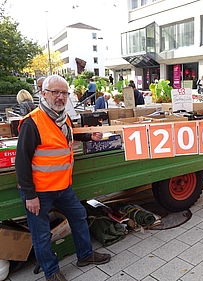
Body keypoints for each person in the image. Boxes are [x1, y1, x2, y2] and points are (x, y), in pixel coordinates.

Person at [15, 75, 111, 281]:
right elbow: (21, 161)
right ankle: (51, 273)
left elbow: (65, 135)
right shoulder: (32, 123)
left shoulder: (62, 117)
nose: (60, 97)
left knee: (79, 216)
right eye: (55, 92)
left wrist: (87, 136)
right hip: (39, 191)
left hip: (61, 186)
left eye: (64, 93)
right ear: (44, 93)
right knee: (41, 234)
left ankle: (85, 255)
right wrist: (30, 195)